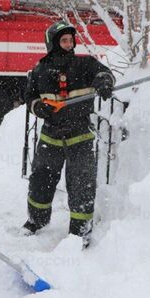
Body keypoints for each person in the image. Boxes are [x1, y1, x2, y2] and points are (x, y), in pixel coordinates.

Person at [22, 21, 115, 248]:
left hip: (80, 136)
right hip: (50, 136)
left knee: (82, 185)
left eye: (70, 40)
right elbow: (30, 97)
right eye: (63, 40)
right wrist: (38, 107)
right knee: (41, 181)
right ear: (52, 43)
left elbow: (104, 73)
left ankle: (80, 231)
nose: (68, 44)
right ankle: (36, 220)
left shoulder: (84, 65)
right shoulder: (40, 71)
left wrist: (104, 82)